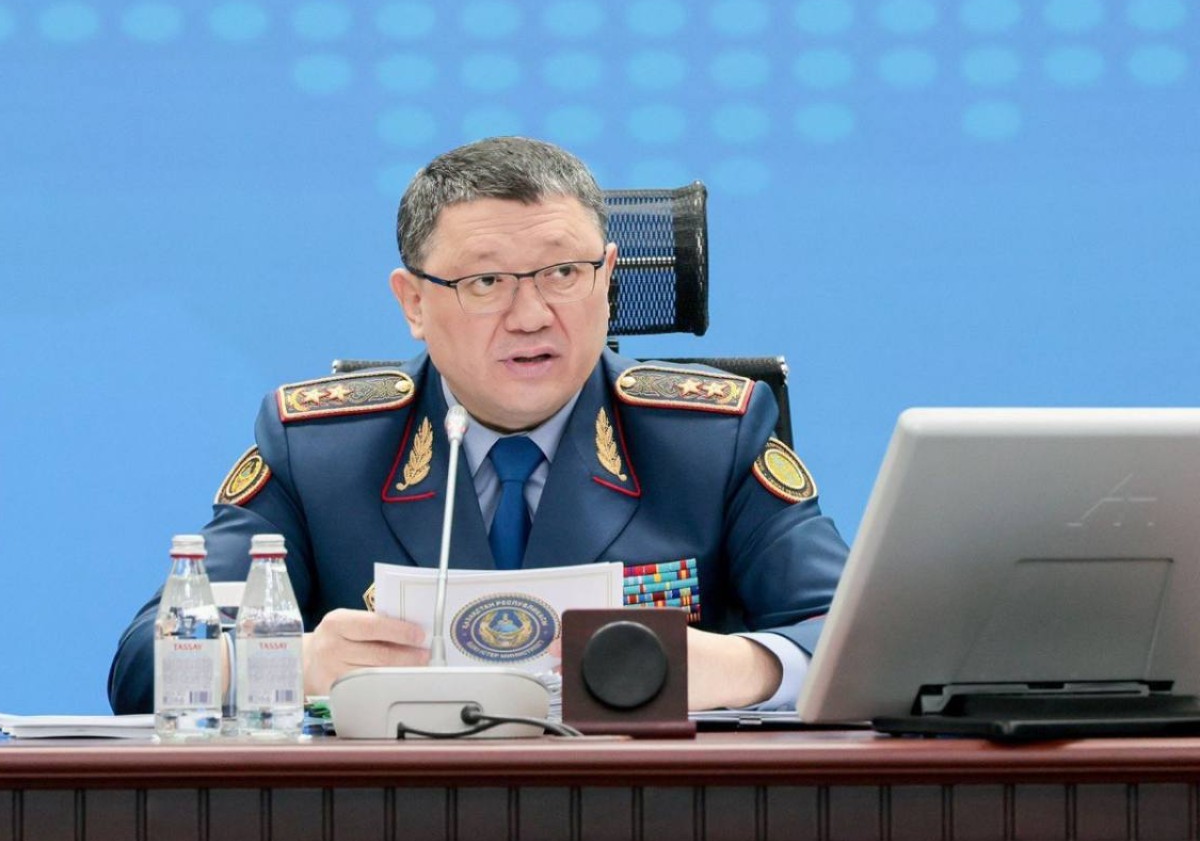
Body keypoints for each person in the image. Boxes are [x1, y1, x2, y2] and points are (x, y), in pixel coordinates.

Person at [109, 136, 848, 715]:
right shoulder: (320, 451)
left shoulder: (710, 439)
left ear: (608, 277)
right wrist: (294, 664)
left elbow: (860, 635)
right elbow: (145, 664)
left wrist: (743, 667)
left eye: (564, 273)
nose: (531, 316)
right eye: (486, 281)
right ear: (414, 303)